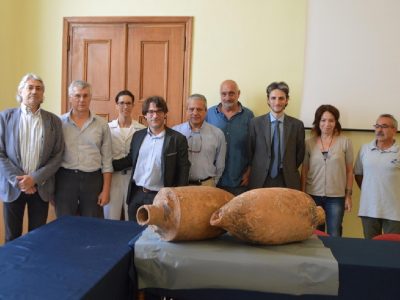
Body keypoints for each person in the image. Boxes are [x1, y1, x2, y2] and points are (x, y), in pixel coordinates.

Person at [0, 73, 64, 242]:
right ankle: (10, 269)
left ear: (43, 94)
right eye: (30, 87)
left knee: (38, 238)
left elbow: (57, 155)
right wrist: (20, 181)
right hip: (13, 187)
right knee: (11, 237)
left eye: (38, 88)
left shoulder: (54, 121)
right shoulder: (5, 117)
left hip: (40, 188)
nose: (34, 91)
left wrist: (34, 179)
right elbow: (0, 154)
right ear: (20, 91)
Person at [113, 96, 190, 221]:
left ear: (165, 114)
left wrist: (177, 198)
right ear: (145, 115)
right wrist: (105, 165)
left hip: (160, 196)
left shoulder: (177, 139)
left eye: (159, 111)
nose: (155, 115)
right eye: (151, 112)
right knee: (133, 232)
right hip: (136, 195)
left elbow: (183, 169)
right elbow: (130, 160)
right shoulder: (138, 136)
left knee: (156, 236)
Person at [55, 80, 113, 218]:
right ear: (70, 98)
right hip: (65, 179)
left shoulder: (102, 125)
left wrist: (106, 190)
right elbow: (53, 157)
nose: (82, 100)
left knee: (92, 226)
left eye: (86, 96)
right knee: (65, 224)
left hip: (93, 180)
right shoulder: (59, 123)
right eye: (77, 95)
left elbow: (107, 160)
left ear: (90, 98)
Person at [301, 105, 353, 236]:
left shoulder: (345, 142)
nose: (327, 124)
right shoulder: (309, 143)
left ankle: (334, 256)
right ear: (318, 122)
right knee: (315, 234)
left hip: (336, 197)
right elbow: (305, 171)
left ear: (336, 123)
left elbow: (349, 171)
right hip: (313, 196)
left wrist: (348, 196)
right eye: (323, 120)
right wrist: (303, 195)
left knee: (334, 233)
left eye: (331, 120)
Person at [249, 81, 305, 189]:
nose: (277, 102)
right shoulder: (255, 123)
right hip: (261, 179)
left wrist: (287, 167)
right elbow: (250, 151)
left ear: (287, 100)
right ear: (268, 100)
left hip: (287, 179)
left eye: (281, 98)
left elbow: (299, 155)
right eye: (273, 98)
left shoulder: (297, 125)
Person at [354, 114, 400, 239]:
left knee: (393, 250)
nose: (379, 130)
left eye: (384, 126)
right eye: (377, 126)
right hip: (369, 209)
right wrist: (370, 190)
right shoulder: (365, 149)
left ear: (394, 130)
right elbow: (358, 174)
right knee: (371, 249)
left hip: (395, 211)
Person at [206, 80, 254, 195]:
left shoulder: (249, 116)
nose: (227, 98)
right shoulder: (209, 114)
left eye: (231, 93)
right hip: (213, 180)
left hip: (239, 180)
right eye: (224, 94)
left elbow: (254, 146)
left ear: (238, 93)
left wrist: (250, 171)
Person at [103, 90, 145, 220]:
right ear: (116, 105)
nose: (125, 107)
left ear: (133, 105)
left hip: (133, 179)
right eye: (121, 103)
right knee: (110, 217)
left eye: (128, 103)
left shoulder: (142, 129)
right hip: (112, 178)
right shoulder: (106, 128)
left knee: (132, 217)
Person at [173, 94, 226, 187]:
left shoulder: (217, 134)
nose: (195, 112)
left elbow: (220, 164)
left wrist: (213, 182)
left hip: (207, 185)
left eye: (199, 109)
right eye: (191, 109)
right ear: (186, 110)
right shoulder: (175, 132)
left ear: (206, 111)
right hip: (181, 186)